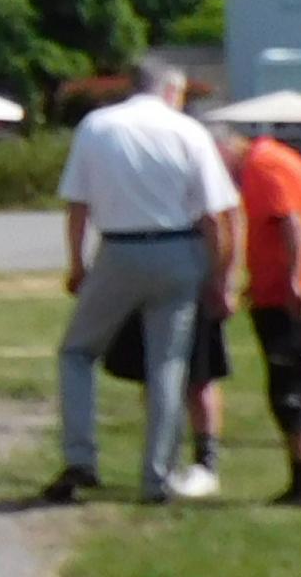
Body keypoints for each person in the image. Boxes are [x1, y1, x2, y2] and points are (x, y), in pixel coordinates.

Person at [47, 58, 240, 505]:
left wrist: (77, 264)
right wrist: (219, 277)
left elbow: (77, 205)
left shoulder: (97, 127)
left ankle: (80, 456)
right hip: (179, 248)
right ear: (170, 91)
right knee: (168, 364)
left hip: (119, 247)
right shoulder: (188, 131)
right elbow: (215, 216)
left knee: (77, 351)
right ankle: (157, 476)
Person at [219, 110, 301, 505]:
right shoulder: (279, 159)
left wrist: (293, 279)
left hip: (285, 297)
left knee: (290, 389)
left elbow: (290, 222)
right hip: (278, 290)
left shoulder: (263, 168)